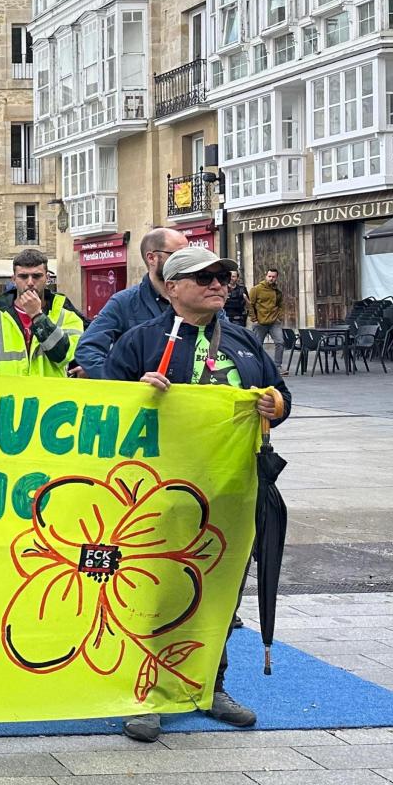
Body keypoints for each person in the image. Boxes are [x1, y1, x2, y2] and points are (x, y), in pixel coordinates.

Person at [101, 246, 287, 743]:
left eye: (225, 276)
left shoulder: (244, 341)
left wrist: (276, 404)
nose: (219, 284)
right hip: (157, 498)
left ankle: (210, 685)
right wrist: (136, 391)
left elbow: (280, 395)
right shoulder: (141, 340)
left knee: (220, 594)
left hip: (232, 493)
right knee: (153, 592)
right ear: (173, 286)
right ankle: (142, 693)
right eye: (205, 277)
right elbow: (103, 410)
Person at [75, 227, 190, 378]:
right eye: (177, 255)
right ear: (151, 258)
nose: (186, 261)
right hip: (145, 398)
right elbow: (88, 349)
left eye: (188, 254)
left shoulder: (200, 297)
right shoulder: (123, 302)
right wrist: (124, 383)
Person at [0, 249, 84, 377]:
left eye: (37, 276)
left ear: (47, 278)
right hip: (8, 397)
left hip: (51, 396)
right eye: (23, 276)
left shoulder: (68, 318)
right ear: (13, 279)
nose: (30, 282)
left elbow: (64, 356)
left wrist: (37, 316)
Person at [249, 268, 285, 366]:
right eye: (269, 276)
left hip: (274, 322)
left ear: (276, 278)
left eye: (273, 277)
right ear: (266, 276)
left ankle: (277, 365)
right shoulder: (256, 289)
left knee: (280, 342)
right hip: (260, 322)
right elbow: (249, 305)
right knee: (257, 345)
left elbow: (281, 305)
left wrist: (279, 317)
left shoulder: (277, 291)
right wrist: (254, 319)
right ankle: (257, 365)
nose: (271, 279)